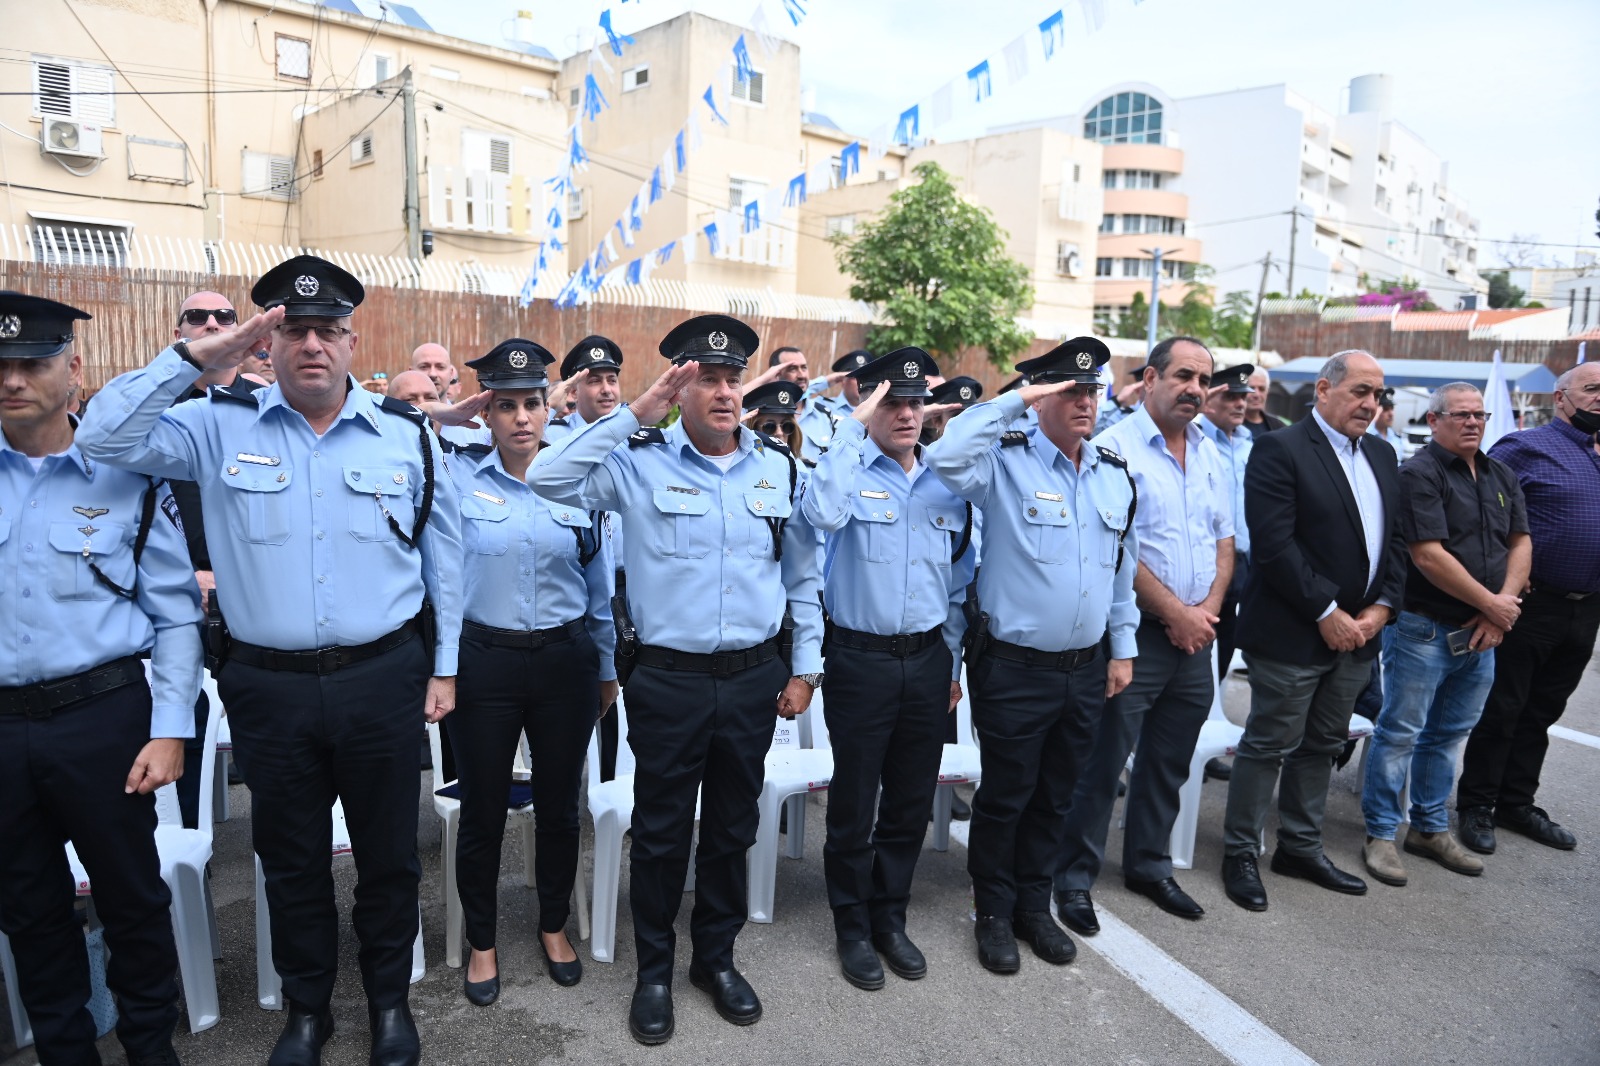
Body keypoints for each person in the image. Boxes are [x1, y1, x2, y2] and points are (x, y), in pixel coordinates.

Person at [77, 254, 464, 1066]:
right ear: (269, 342)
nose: (312, 345)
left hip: (381, 677)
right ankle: (309, 1009)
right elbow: (105, 433)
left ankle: (389, 1003)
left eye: (328, 330)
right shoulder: (213, 427)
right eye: (294, 329)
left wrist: (446, 667)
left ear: (354, 343)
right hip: (268, 686)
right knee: (288, 864)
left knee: (390, 858)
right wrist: (199, 357)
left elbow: (445, 562)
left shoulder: (408, 436)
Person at [529, 313, 823, 1046]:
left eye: (732, 379)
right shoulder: (638, 461)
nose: (723, 393)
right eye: (707, 380)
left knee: (731, 828)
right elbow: (545, 475)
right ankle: (654, 970)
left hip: (755, 678)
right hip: (668, 681)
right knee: (661, 835)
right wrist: (637, 410)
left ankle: (713, 959)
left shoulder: (777, 468)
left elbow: (802, 577)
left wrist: (807, 667)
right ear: (681, 388)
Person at [0, 292, 202, 1066]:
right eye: (2, 366)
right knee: (29, 908)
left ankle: (151, 1047)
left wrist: (170, 729)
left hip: (103, 718)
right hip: (5, 730)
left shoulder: (128, 475)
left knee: (132, 900)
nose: (14, 379)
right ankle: (65, 1051)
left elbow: (178, 614)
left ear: (73, 367)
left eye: (33, 363)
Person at [924, 337, 1137, 975]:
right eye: (1068, 390)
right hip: (1014, 666)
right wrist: (1015, 402)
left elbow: (1120, 571)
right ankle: (991, 911)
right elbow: (946, 456)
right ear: (1039, 396)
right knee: (1008, 795)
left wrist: (1121, 649)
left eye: (1092, 389)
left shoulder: (1111, 472)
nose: (1084, 401)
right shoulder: (1004, 463)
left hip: (1085, 664)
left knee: (1057, 795)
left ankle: (1033, 906)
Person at [438, 340, 617, 1006]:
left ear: (550, 409)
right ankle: (481, 943)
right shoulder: (458, 478)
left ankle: (552, 925)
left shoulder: (580, 482)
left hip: (567, 661)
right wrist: (448, 414)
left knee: (560, 807)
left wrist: (605, 668)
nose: (520, 418)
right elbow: (389, 422)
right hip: (485, 660)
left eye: (531, 403)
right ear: (486, 413)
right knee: (483, 807)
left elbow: (599, 585)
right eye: (504, 405)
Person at [797, 349, 973, 991]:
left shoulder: (945, 483)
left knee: (907, 802)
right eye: (889, 402)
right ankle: (850, 923)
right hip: (860, 659)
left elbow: (957, 584)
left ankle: (889, 917)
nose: (904, 414)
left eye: (913, 403)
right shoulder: (844, 471)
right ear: (869, 406)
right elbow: (821, 515)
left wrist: (950, 661)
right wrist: (854, 423)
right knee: (853, 803)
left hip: (926, 661)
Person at [1056, 338, 1233, 931]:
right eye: (1184, 375)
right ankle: (1073, 876)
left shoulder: (1213, 451)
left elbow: (1223, 541)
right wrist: (1177, 614)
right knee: (1102, 762)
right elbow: (1114, 552)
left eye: (1204, 380)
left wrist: (1205, 609)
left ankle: (1150, 865)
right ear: (1151, 377)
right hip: (1134, 636)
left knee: (1169, 760)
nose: (1196, 389)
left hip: (1197, 634)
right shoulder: (1111, 449)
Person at [1220, 350, 1404, 912]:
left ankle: (1299, 846)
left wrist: (1382, 610)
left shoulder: (1382, 453)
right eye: (1360, 392)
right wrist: (1327, 612)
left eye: (1378, 395)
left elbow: (1396, 543)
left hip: (1359, 635)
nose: (1371, 405)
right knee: (1269, 742)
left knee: (1325, 742)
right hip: (1295, 631)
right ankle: (1240, 851)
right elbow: (1274, 545)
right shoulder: (1279, 448)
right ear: (1324, 390)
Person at [1360, 383, 1529, 887]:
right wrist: (1492, 606)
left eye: (1480, 414)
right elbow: (1428, 555)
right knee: (1400, 734)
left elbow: (1520, 543)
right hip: (1424, 629)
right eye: (1461, 415)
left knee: (1449, 735)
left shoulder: (1501, 473)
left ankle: (1430, 829)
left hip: (1483, 633)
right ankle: (1381, 834)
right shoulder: (1418, 473)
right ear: (1433, 421)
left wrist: (1499, 613)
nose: (1473, 422)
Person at [1456, 361, 1600, 854]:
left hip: (1585, 610)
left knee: (1543, 711)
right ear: (1561, 398)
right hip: (1531, 604)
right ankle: (1476, 805)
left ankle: (1517, 803)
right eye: (1592, 388)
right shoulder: (1525, 447)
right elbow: (1482, 519)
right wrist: (1497, 592)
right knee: (1504, 708)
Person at [162, 291, 263, 829]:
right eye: (197, 317)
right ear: (179, 331)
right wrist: (187, 575)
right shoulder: (157, 406)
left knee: (268, 746)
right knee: (184, 731)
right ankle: (188, 853)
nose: (211, 324)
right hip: (176, 600)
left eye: (224, 317)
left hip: (253, 601)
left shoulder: (271, 408)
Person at [543, 335, 627, 782]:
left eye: (612, 379)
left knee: (624, 690)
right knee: (588, 687)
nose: (607, 389)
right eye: (594, 381)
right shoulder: (551, 438)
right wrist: (550, 404)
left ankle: (616, 782)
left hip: (628, 585)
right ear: (573, 390)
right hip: (577, 581)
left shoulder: (636, 440)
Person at [413, 342, 488, 447]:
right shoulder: (396, 424)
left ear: (451, 373)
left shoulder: (477, 429)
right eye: (424, 367)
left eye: (440, 367)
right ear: (411, 372)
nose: (433, 374)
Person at [799, 349, 872, 457]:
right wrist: (828, 380)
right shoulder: (822, 407)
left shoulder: (879, 412)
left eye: (866, 377)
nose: (862, 382)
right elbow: (792, 397)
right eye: (856, 377)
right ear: (843, 380)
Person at [921, 376, 983, 445]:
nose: (966, 422)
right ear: (937, 421)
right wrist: (918, 415)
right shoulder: (923, 454)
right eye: (956, 416)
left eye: (971, 415)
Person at [1242, 367, 1286, 438]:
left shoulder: (1279, 427)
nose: (1256, 394)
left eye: (1262, 389)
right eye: (1251, 388)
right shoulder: (1231, 426)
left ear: (1267, 392)